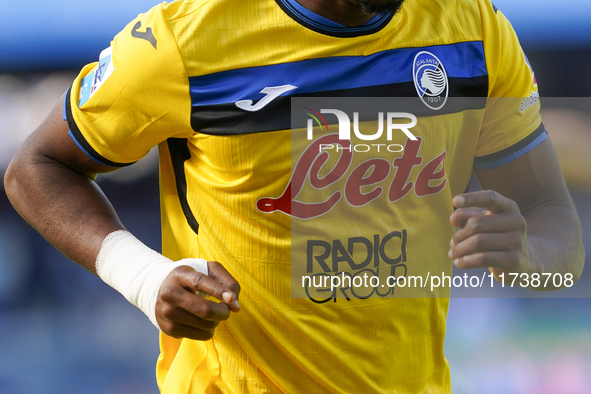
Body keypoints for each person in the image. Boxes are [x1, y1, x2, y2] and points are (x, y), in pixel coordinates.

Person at [4, 0, 584, 392]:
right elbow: (36, 166)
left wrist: (532, 262)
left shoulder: (472, 28)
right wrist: (143, 277)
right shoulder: (187, 38)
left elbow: (554, 222)